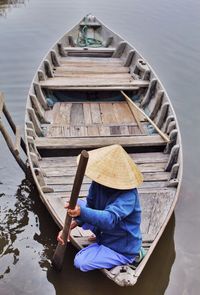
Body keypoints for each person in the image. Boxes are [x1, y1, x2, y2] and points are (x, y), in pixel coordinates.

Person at [57, 144, 144, 272]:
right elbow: (90, 205)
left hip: (121, 247)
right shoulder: (98, 183)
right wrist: (68, 227)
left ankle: (127, 257)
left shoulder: (128, 195)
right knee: (80, 204)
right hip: (105, 230)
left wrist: (80, 212)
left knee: (80, 262)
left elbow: (109, 219)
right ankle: (99, 240)